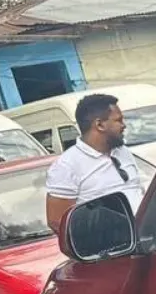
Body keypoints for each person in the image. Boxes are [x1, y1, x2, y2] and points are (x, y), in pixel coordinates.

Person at [45, 93, 146, 233]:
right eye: (119, 120)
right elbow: (58, 222)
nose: (124, 126)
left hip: (147, 238)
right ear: (99, 125)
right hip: (113, 249)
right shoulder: (67, 166)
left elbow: (138, 190)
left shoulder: (123, 152)